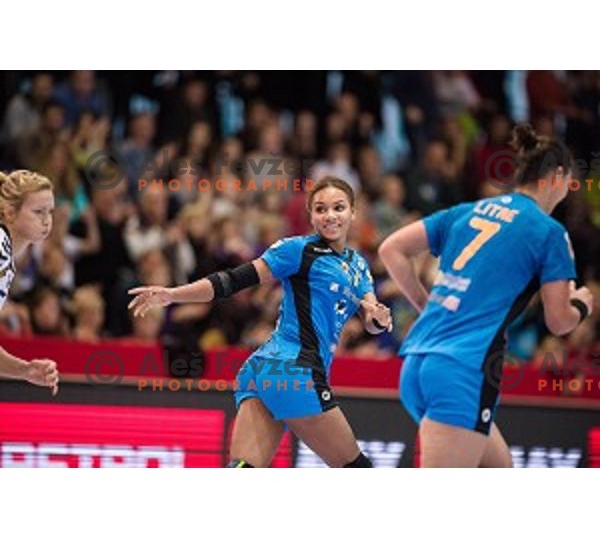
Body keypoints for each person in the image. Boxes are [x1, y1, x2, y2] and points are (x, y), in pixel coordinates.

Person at [129, 176, 393, 467]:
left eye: (338, 208)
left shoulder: (359, 266)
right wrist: (173, 295)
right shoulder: (299, 250)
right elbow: (232, 280)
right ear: (311, 215)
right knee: (358, 469)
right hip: (296, 372)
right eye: (320, 209)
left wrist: (378, 317)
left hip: (261, 371)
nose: (330, 216)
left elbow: (372, 318)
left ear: (353, 212)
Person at [378, 123, 595, 468]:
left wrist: (427, 305)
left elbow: (391, 249)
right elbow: (558, 321)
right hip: (462, 372)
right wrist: (582, 303)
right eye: (568, 183)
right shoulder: (549, 232)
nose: (566, 193)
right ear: (555, 176)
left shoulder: (468, 210)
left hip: (419, 365)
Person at [0, 170, 60, 394]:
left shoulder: (6, 258)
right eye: (38, 212)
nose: (47, 220)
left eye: (50, 212)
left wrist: (24, 370)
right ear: (10, 213)